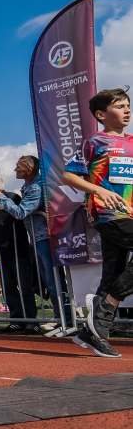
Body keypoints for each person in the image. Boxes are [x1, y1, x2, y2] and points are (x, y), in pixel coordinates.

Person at [63, 88, 133, 358]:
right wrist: (99, 190)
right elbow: (70, 176)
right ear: (102, 114)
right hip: (108, 213)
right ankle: (108, 305)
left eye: (128, 105)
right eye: (120, 106)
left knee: (113, 274)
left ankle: (93, 334)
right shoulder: (95, 141)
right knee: (112, 281)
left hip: (129, 213)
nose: (127, 110)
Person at [0, 154, 73, 334]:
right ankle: (62, 319)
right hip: (37, 240)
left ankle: (68, 321)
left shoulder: (36, 187)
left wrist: (0, 197)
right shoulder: (28, 187)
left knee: (54, 283)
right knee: (50, 282)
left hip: (45, 239)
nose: (15, 169)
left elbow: (21, 212)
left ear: (29, 169)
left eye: (18, 166)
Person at [0, 178, 38, 333]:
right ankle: (16, 319)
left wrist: (1, 207)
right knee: (8, 287)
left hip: (18, 250)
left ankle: (32, 321)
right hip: (0, 252)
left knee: (25, 287)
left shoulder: (12, 197)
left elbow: (19, 214)